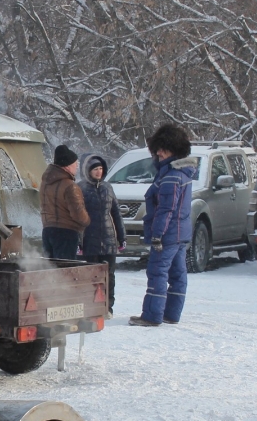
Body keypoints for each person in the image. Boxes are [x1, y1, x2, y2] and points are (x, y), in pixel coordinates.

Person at [131, 125, 195, 327]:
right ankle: (171, 313)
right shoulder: (182, 174)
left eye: (163, 149)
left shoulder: (171, 177)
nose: (158, 153)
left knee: (157, 272)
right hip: (180, 234)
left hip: (167, 235)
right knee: (178, 275)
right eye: (157, 148)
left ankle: (152, 315)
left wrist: (157, 234)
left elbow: (166, 209)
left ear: (173, 150)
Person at [79, 153, 126, 316]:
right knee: (90, 276)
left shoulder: (108, 187)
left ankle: (107, 308)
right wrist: (79, 242)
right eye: (95, 169)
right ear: (87, 171)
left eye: (100, 169)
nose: (98, 172)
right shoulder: (81, 188)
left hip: (108, 239)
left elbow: (116, 213)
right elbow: (78, 218)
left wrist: (122, 237)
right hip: (89, 239)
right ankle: (90, 308)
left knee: (109, 276)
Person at [40, 144, 89, 260]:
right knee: (65, 272)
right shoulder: (70, 186)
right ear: (67, 166)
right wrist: (87, 222)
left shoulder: (45, 183)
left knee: (50, 271)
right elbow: (78, 213)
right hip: (66, 233)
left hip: (47, 231)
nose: (77, 166)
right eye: (75, 163)